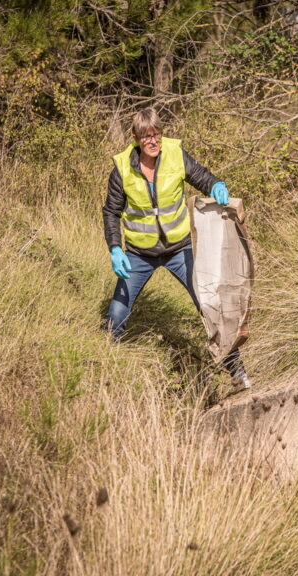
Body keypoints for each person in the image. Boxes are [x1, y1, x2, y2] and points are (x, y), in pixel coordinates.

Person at [102, 107, 251, 391]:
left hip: (180, 250)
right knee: (116, 315)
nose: (153, 141)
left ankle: (237, 372)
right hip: (137, 255)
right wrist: (115, 248)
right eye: (146, 136)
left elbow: (204, 178)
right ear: (136, 139)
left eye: (156, 134)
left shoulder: (175, 155)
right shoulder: (122, 169)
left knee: (209, 307)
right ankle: (107, 375)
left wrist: (217, 185)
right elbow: (111, 212)